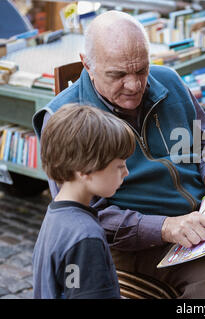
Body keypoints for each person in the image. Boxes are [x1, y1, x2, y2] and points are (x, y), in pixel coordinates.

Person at [33, 10, 205, 298]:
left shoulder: (169, 80)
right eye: (119, 74)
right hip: (138, 239)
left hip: (204, 211)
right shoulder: (66, 118)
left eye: (141, 70)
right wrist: (164, 227)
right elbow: (88, 214)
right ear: (86, 64)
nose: (135, 84)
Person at [32, 104, 135, 299]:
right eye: (119, 166)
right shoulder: (85, 237)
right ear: (85, 170)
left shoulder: (56, 216)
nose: (126, 172)